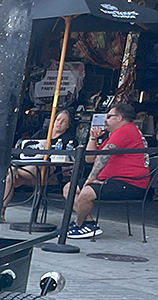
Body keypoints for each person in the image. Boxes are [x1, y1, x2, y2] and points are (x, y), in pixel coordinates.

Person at [64, 102, 151, 238]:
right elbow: (90, 158)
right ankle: (88, 224)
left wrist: (91, 178)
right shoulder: (116, 134)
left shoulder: (126, 130)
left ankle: (79, 224)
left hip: (129, 182)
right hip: (111, 180)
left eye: (109, 116)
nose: (105, 119)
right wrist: (93, 138)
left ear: (119, 118)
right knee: (69, 188)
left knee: (87, 192)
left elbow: (104, 155)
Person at [3, 108, 76, 216]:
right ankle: (1, 211)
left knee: (34, 168)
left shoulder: (69, 139)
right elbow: (28, 151)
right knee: (10, 179)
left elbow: (65, 161)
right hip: (31, 170)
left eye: (64, 121)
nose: (59, 123)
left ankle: (15, 169)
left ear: (68, 125)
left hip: (51, 173)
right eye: (58, 120)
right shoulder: (41, 133)